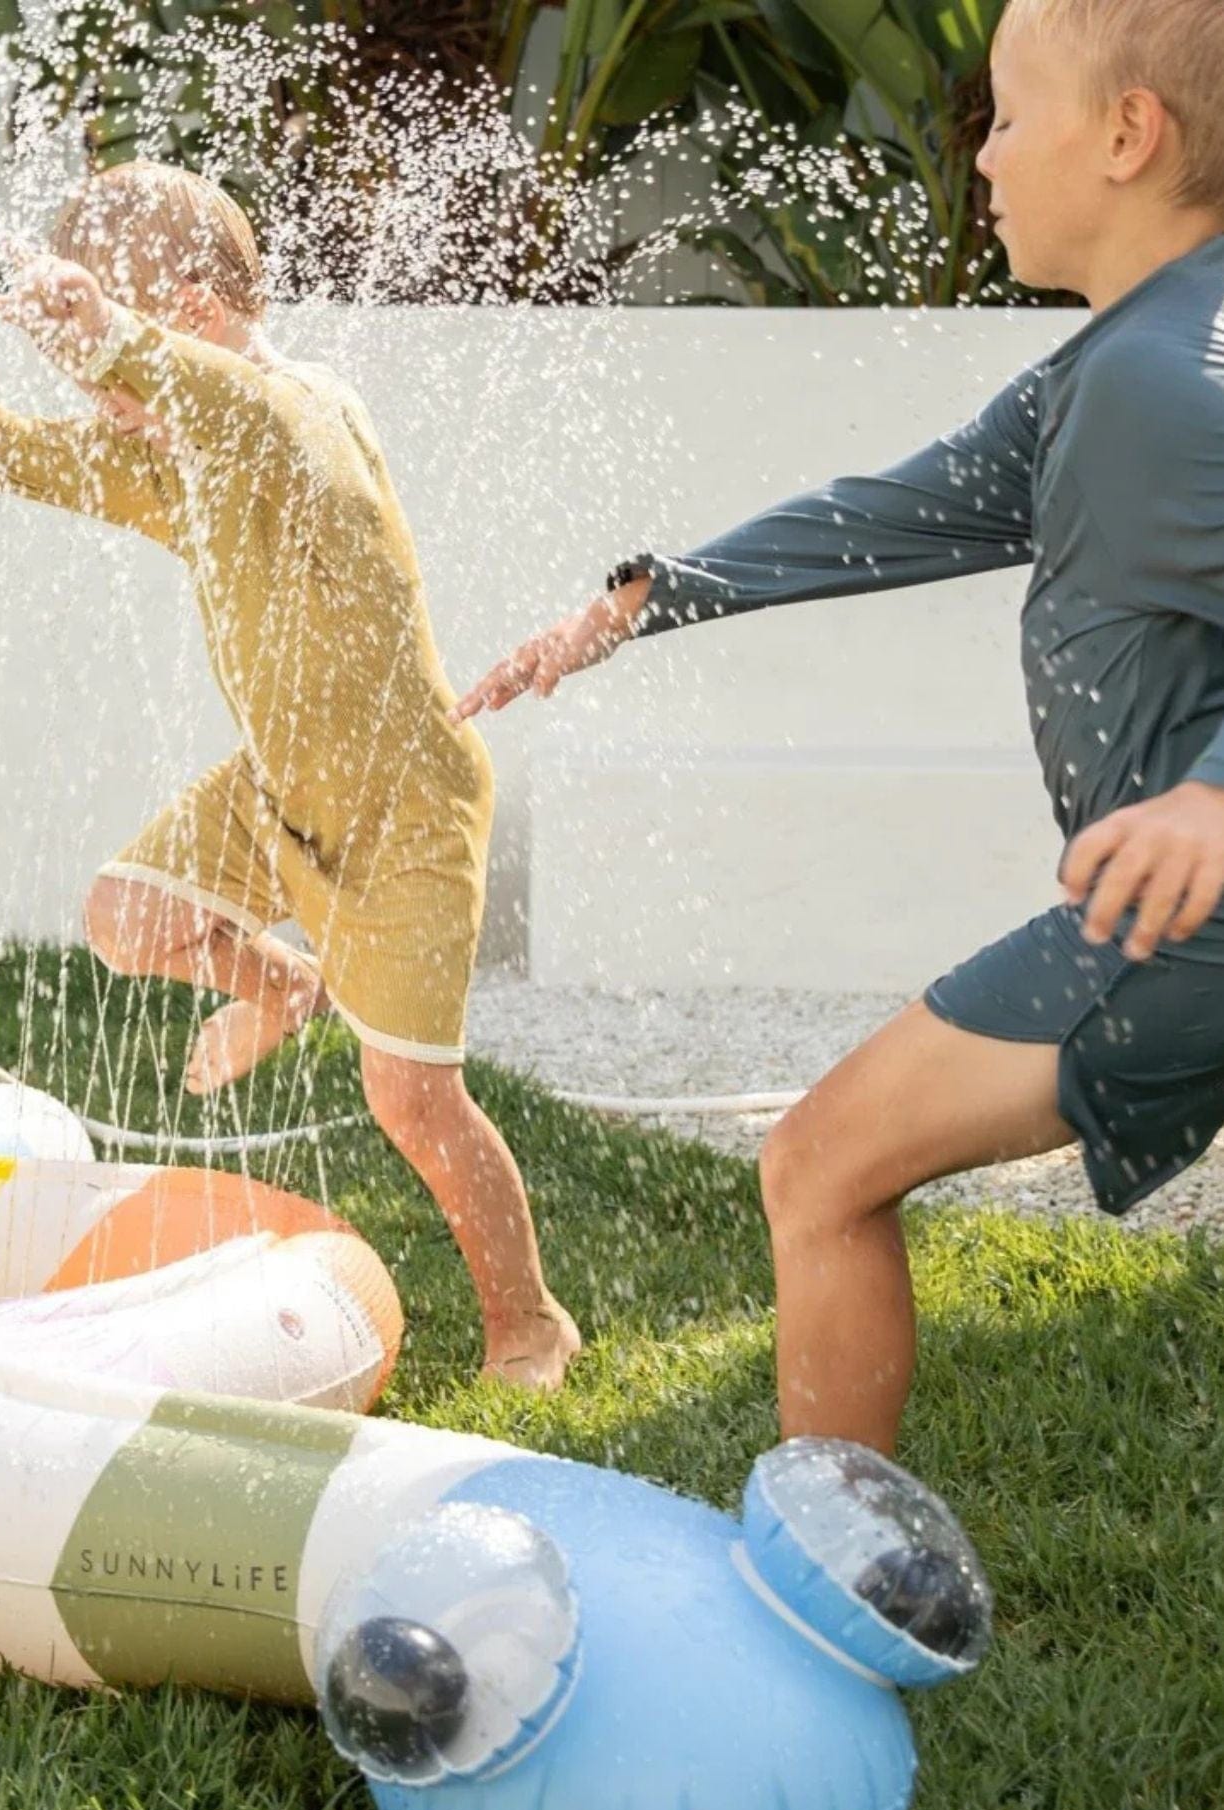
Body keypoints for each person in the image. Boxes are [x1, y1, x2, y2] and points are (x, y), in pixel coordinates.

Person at [453, 0, 1224, 1445]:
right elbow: (899, 510)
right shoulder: (1123, 358)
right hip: (1174, 907)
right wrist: (653, 597)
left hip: (1180, 927)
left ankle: (832, 1541)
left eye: (1008, 116)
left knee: (817, 1165)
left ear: (1128, 134)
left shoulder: (1151, 383)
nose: (980, 157)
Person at [0, 161, 580, 1388]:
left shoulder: (304, 408)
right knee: (126, 913)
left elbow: (247, 410)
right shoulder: (172, 459)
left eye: (98, 359)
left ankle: (528, 1321)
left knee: (412, 1102)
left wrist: (116, 341)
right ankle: (283, 983)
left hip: (405, 801)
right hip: (276, 790)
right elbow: (19, 453)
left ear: (193, 315)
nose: (90, 393)